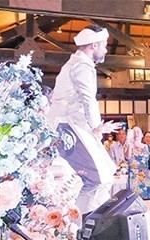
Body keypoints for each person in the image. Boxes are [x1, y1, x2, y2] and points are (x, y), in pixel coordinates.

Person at [45, 25, 121, 216]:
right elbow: (88, 99)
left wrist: (94, 128)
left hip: (73, 125)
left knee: (103, 175)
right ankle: (81, 220)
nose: (105, 49)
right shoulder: (82, 65)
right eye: (104, 45)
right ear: (94, 45)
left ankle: (84, 219)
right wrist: (97, 126)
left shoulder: (77, 63)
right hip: (67, 125)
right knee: (99, 176)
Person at [125, 126, 150, 199]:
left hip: (146, 177)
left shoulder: (147, 147)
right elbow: (128, 158)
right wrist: (129, 143)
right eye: (134, 132)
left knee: (147, 200)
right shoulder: (128, 146)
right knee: (133, 200)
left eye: (138, 132)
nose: (136, 134)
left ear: (142, 135)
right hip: (133, 177)